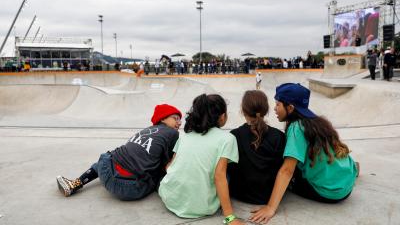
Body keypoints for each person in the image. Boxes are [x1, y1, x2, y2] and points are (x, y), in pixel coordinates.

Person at [249, 83, 358, 224]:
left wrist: (270, 207)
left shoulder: (296, 128)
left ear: (290, 108)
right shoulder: (316, 121)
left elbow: (287, 171)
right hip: (347, 183)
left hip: (330, 193)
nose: (275, 109)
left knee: (283, 170)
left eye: (278, 105)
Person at [56, 104, 182, 200]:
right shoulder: (173, 133)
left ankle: (75, 184)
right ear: (163, 119)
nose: (179, 122)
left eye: (180, 120)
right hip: (129, 189)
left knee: (109, 156)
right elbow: (168, 166)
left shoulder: (146, 130)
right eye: (175, 118)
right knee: (158, 172)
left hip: (105, 170)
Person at [159, 94, 243, 225]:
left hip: (170, 199)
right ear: (222, 116)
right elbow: (219, 177)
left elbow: (169, 167)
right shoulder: (227, 138)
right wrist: (230, 217)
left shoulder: (185, 136)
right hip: (202, 207)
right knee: (225, 173)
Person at [227, 90, 286, 205]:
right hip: (269, 195)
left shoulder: (234, 135)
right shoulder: (279, 136)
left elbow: (230, 167)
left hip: (240, 194)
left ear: (243, 111)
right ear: (266, 110)